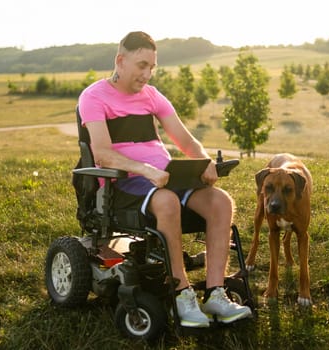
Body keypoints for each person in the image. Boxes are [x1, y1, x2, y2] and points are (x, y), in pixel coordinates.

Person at [78, 31, 251, 328]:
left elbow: (186, 139)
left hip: (164, 176)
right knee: (168, 201)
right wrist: (145, 170)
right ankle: (182, 294)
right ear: (120, 61)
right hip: (124, 182)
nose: (147, 74)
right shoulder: (93, 96)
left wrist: (204, 160)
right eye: (141, 65)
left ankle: (215, 292)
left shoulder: (152, 95)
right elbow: (103, 155)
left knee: (220, 202)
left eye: (152, 67)